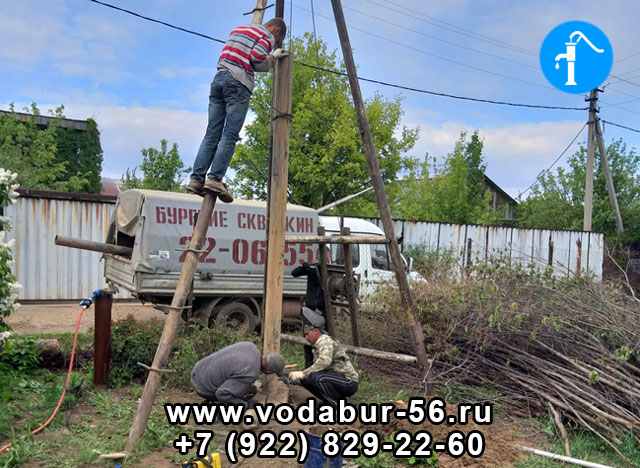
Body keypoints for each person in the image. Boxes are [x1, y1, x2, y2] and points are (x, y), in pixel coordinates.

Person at [187, 18, 288, 202]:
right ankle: (215, 179)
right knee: (230, 135)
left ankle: (196, 179)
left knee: (211, 134)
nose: (275, 43)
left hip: (218, 79)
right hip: (238, 83)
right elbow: (257, 59)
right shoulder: (266, 36)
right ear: (277, 31)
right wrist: (273, 58)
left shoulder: (238, 29)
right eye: (278, 39)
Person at [190, 341, 284, 407]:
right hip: (202, 387)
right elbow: (222, 394)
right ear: (268, 370)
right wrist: (245, 405)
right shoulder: (250, 372)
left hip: (198, 371)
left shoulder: (250, 346)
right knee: (247, 393)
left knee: (249, 389)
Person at [288, 321, 359, 408]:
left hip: (349, 381)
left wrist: (304, 373)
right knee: (306, 379)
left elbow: (325, 361)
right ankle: (329, 402)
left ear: (316, 331)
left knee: (317, 378)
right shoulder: (316, 346)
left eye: (307, 334)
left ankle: (340, 406)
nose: (306, 337)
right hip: (336, 378)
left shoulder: (325, 341)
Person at [292, 250, 330, 366]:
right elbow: (295, 273)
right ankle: (308, 365)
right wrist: (306, 267)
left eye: (324, 255)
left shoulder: (333, 270)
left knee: (325, 337)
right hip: (310, 309)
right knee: (308, 337)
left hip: (324, 310)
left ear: (329, 256)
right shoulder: (312, 269)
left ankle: (323, 364)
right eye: (319, 256)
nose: (321, 258)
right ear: (317, 257)